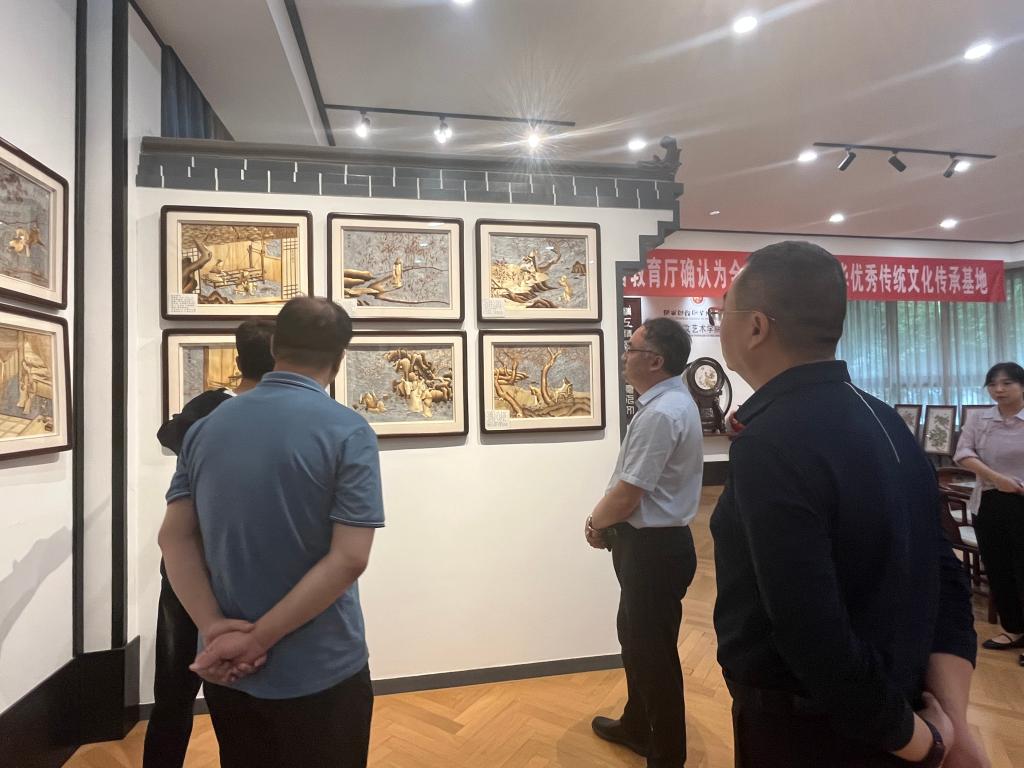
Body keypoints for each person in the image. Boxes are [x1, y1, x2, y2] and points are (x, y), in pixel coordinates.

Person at [710, 241, 985, 768]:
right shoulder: (886, 420)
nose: (719, 325)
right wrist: (952, 725)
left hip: (814, 733)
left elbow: (809, 626)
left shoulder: (770, 442)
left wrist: (921, 742)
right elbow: (944, 574)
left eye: (723, 312)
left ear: (756, 327)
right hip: (901, 712)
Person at [158, 297, 384, 768]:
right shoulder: (348, 430)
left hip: (227, 664)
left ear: (276, 345)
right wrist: (259, 639)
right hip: (320, 664)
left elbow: (174, 539)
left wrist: (214, 629)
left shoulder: (205, 428)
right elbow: (350, 557)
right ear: (340, 358)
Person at [144, 317, 275, 768]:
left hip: (188, 567)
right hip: (237, 566)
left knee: (175, 690)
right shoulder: (274, 414)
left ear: (238, 360)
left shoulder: (212, 408)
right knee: (235, 695)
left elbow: (170, 433)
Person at [586, 317, 704, 768]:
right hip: (653, 547)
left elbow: (628, 492)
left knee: (653, 656)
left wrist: (595, 523)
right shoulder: (670, 403)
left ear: (655, 361)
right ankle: (637, 725)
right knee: (636, 641)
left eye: (631, 348)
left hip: (653, 550)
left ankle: (668, 755)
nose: (624, 355)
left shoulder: (660, 413)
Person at [954, 362, 1024, 664]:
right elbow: (963, 453)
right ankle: (1013, 629)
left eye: (1007, 383)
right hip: (989, 500)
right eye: (993, 384)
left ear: (1022, 386)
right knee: (998, 567)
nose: (999, 390)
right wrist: (996, 478)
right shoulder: (980, 419)